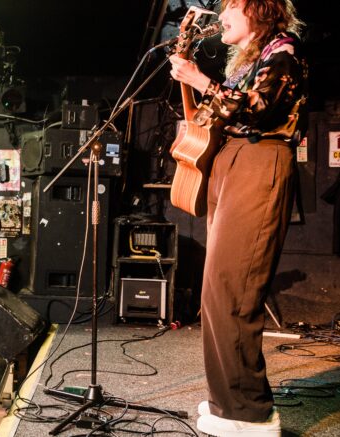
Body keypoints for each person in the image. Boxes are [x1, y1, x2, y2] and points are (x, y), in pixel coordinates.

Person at [168, 1, 307, 435]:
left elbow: (258, 110)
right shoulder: (247, 64)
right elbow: (216, 115)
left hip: (259, 162)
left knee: (235, 289)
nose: (221, 16)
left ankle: (250, 413)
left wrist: (198, 79)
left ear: (257, 11)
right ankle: (228, 401)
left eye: (230, 6)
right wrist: (193, 83)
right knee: (216, 291)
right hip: (234, 164)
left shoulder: (284, 51)